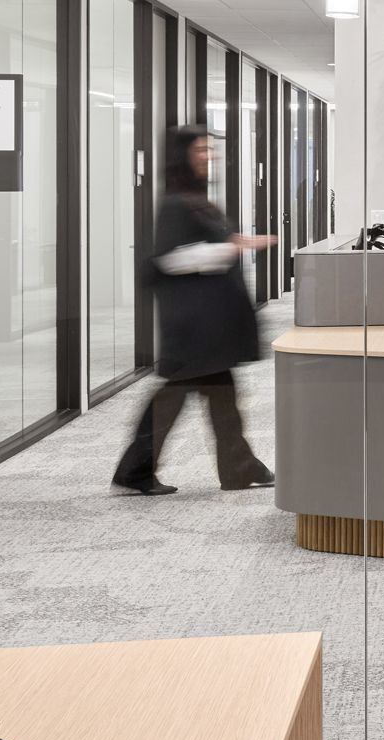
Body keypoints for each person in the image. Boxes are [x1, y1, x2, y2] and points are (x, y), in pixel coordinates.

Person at [112, 125, 276, 495]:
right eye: (201, 149)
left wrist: (236, 242)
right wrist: (229, 250)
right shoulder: (174, 202)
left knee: (220, 393)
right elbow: (166, 259)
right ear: (182, 155)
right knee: (175, 395)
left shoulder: (194, 198)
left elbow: (198, 243)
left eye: (210, 149)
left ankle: (238, 468)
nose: (209, 156)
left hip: (208, 321)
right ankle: (135, 471)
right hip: (193, 323)